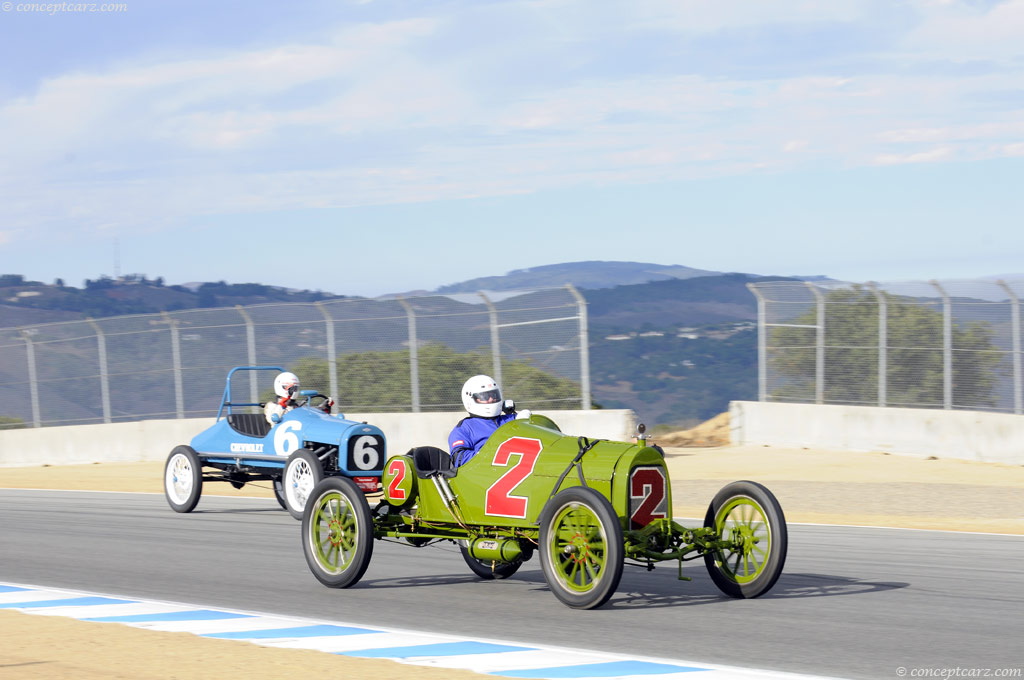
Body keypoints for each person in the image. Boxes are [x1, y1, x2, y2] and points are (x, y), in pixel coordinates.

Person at [448, 375, 530, 469]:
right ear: (470, 400)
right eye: (485, 397)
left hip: (524, 466)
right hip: (487, 474)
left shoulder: (511, 419)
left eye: (494, 395)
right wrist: (490, 454)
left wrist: (528, 420)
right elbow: (459, 459)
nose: (491, 399)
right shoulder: (464, 428)